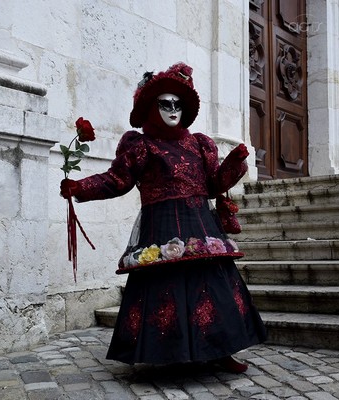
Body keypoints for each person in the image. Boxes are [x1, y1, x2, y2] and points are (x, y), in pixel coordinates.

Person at [60, 62, 267, 373]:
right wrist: (80, 187)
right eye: (165, 103)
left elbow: (213, 186)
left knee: (212, 288)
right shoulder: (141, 145)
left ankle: (221, 350)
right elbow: (117, 180)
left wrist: (235, 163)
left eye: (177, 104)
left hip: (201, 227)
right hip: (162, 228)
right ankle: (168, 356)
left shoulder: (199, 144)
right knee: (165, 290)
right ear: (150, 107)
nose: (173, 109)